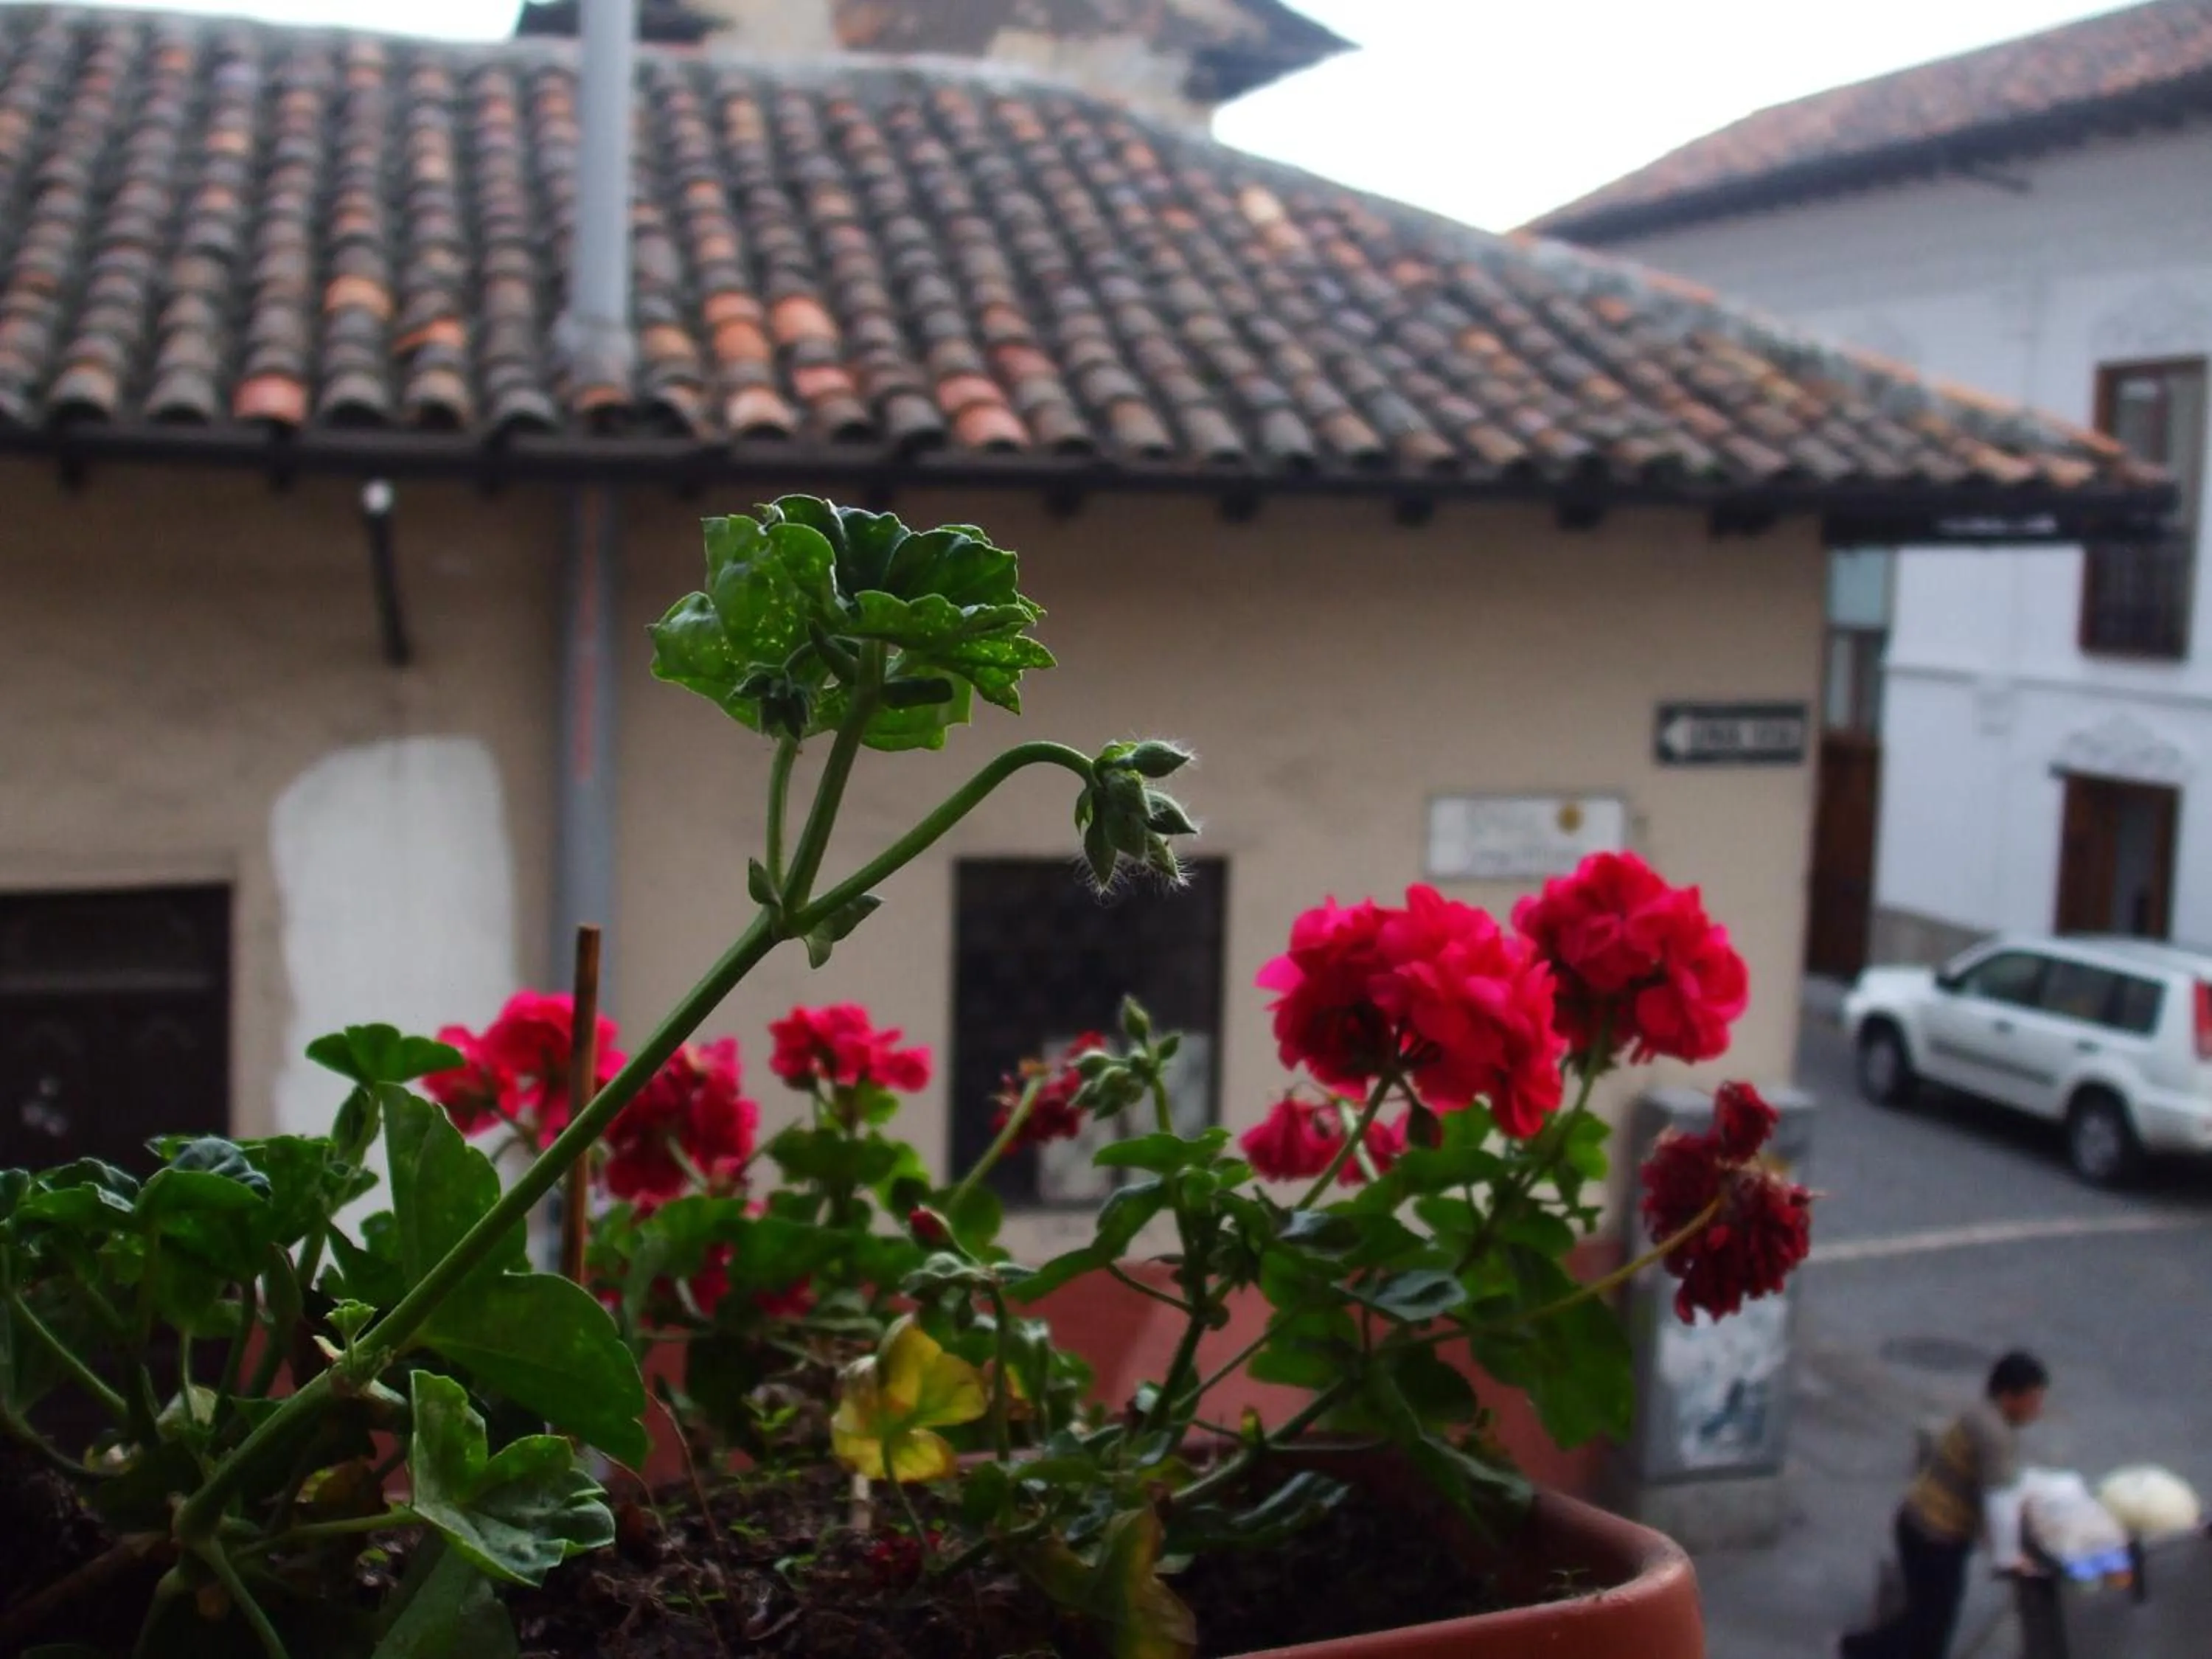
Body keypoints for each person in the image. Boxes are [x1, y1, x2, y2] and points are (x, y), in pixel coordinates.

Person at [1838, 1350, 2049, 1659]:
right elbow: (1999, 1502)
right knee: (1930, 1630)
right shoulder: (1995, 1435)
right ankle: (1856, 1649)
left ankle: (1856, 1648)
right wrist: (2008, 1558)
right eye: (2033, 1400)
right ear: (2009, 1396)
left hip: (1917, 1522)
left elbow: (1999, 1485)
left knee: (1925, 1618)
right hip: (1935, 1536)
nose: (2038, 1409)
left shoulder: (1981, 1414)